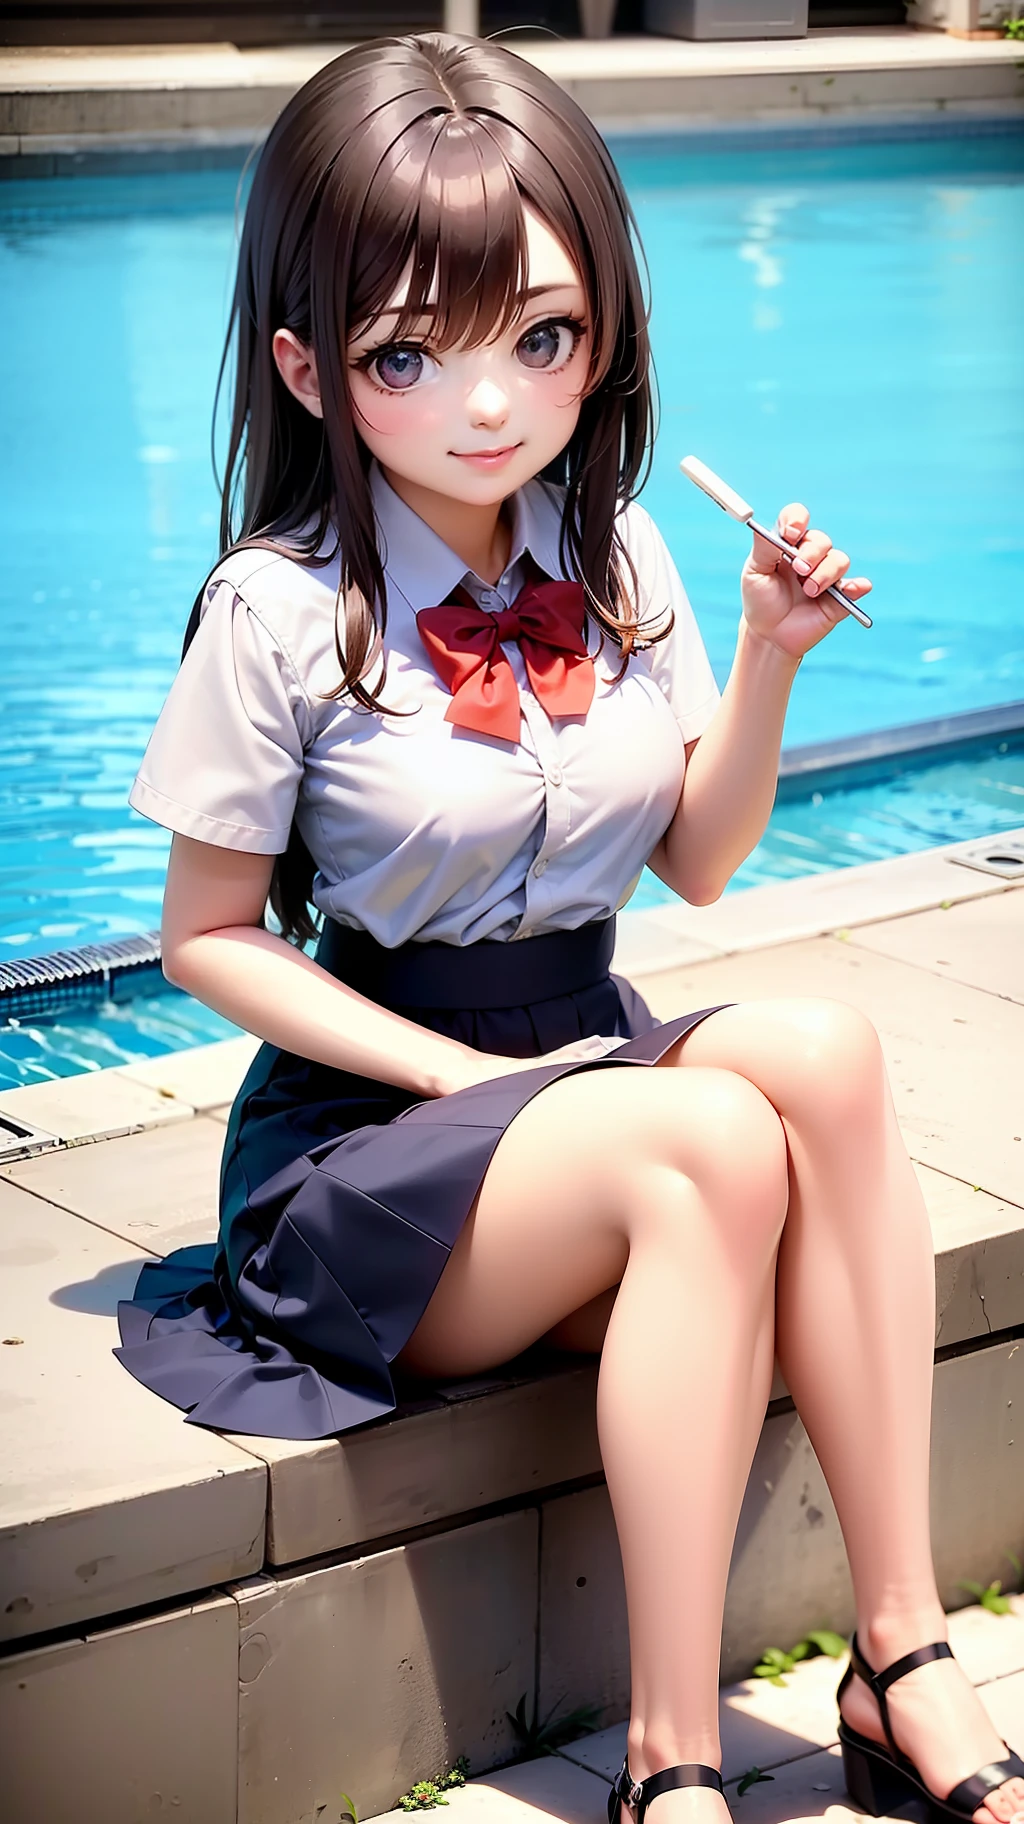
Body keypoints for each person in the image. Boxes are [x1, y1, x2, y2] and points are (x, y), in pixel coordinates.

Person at [114, 31, 1024, 1824]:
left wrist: (763, 653)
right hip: (368, 1146)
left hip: (575, 1073)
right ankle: (671, 1759)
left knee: (826, 1059)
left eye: (540, 336)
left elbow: (695, 860)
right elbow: (204, 939)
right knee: (698, 1135)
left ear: (600, 324)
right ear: (308, 366)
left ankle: (900, 1649)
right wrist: (456, 1067)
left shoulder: (620, 561)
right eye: (407, 354)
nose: (487, 405)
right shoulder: (279, 609)